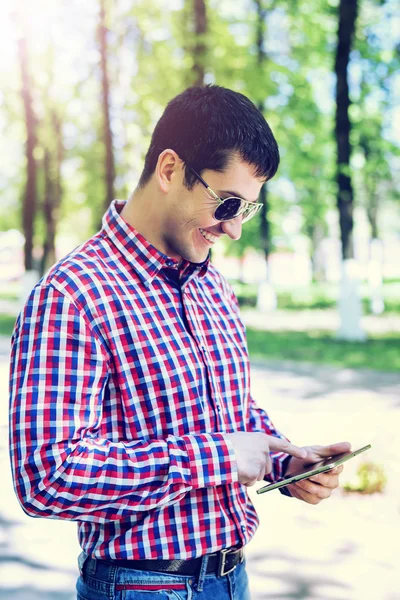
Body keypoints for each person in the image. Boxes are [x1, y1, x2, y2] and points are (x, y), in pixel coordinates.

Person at [9, 85, 350, 600]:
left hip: (232, 577)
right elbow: (47, 477)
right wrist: (215, 458)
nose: (234, 229)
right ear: (170, 170)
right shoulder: (72, 295)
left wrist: (285, 460)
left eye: (247, 209)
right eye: (227, 202)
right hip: (142, 586)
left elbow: (227, 413)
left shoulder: (212, 284)